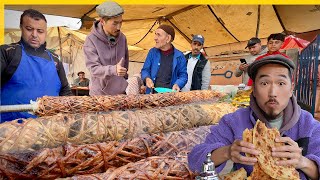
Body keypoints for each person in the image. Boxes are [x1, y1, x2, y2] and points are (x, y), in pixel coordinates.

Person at [188, 54, 320, 180]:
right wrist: (227, 152)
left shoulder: (309, 125)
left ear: (291, 89)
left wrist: (303, 162)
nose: (272, 93)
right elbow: (195, 160)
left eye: (281, 83)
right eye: (264, 83)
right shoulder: (234, 121)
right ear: (253, 90)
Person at [0, 9, 72, 123]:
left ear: (45, 33)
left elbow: (65, 91)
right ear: (21, 28)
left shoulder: (55, 59)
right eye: (29, 29)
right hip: (11, 131)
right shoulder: (7, 52)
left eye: (40, 31)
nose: (34, 35)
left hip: (49, 131)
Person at [83, 1, 129, 95]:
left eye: (121, 22)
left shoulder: (123, 38)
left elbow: (125, 64)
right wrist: (113, 70)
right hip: (100, 95)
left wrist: (124, 80)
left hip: (120, 94)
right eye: (115, 23)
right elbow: (94, 69)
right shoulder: (91, 40)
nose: (119, 27)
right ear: (102, 21)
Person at [141, 24, 188, 94]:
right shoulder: (152, 52)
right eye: (155, 34)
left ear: (168, 38)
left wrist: (177, 84)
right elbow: (145, 70)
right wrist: (147, 78)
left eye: (158, 35)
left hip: (170, 97)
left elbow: (183, 76)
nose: (155, 38)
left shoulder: (180, 56)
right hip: (152, 94)